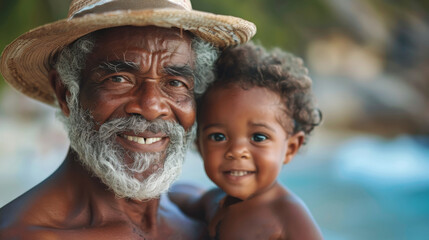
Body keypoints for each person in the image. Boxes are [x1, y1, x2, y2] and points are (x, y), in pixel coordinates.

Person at [0, 0, 256, 239]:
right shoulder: (23, 233)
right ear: (66, 93)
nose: (151, 107)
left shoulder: (208, 214)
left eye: (176, 83)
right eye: (119, 79)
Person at [169, 42, 324, 239]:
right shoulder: (214, 202)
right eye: (218, 137)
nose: (237, 150)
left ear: (290, 148)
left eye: (258, 137)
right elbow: (181, 197)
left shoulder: (287, 214)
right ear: (199, 144)